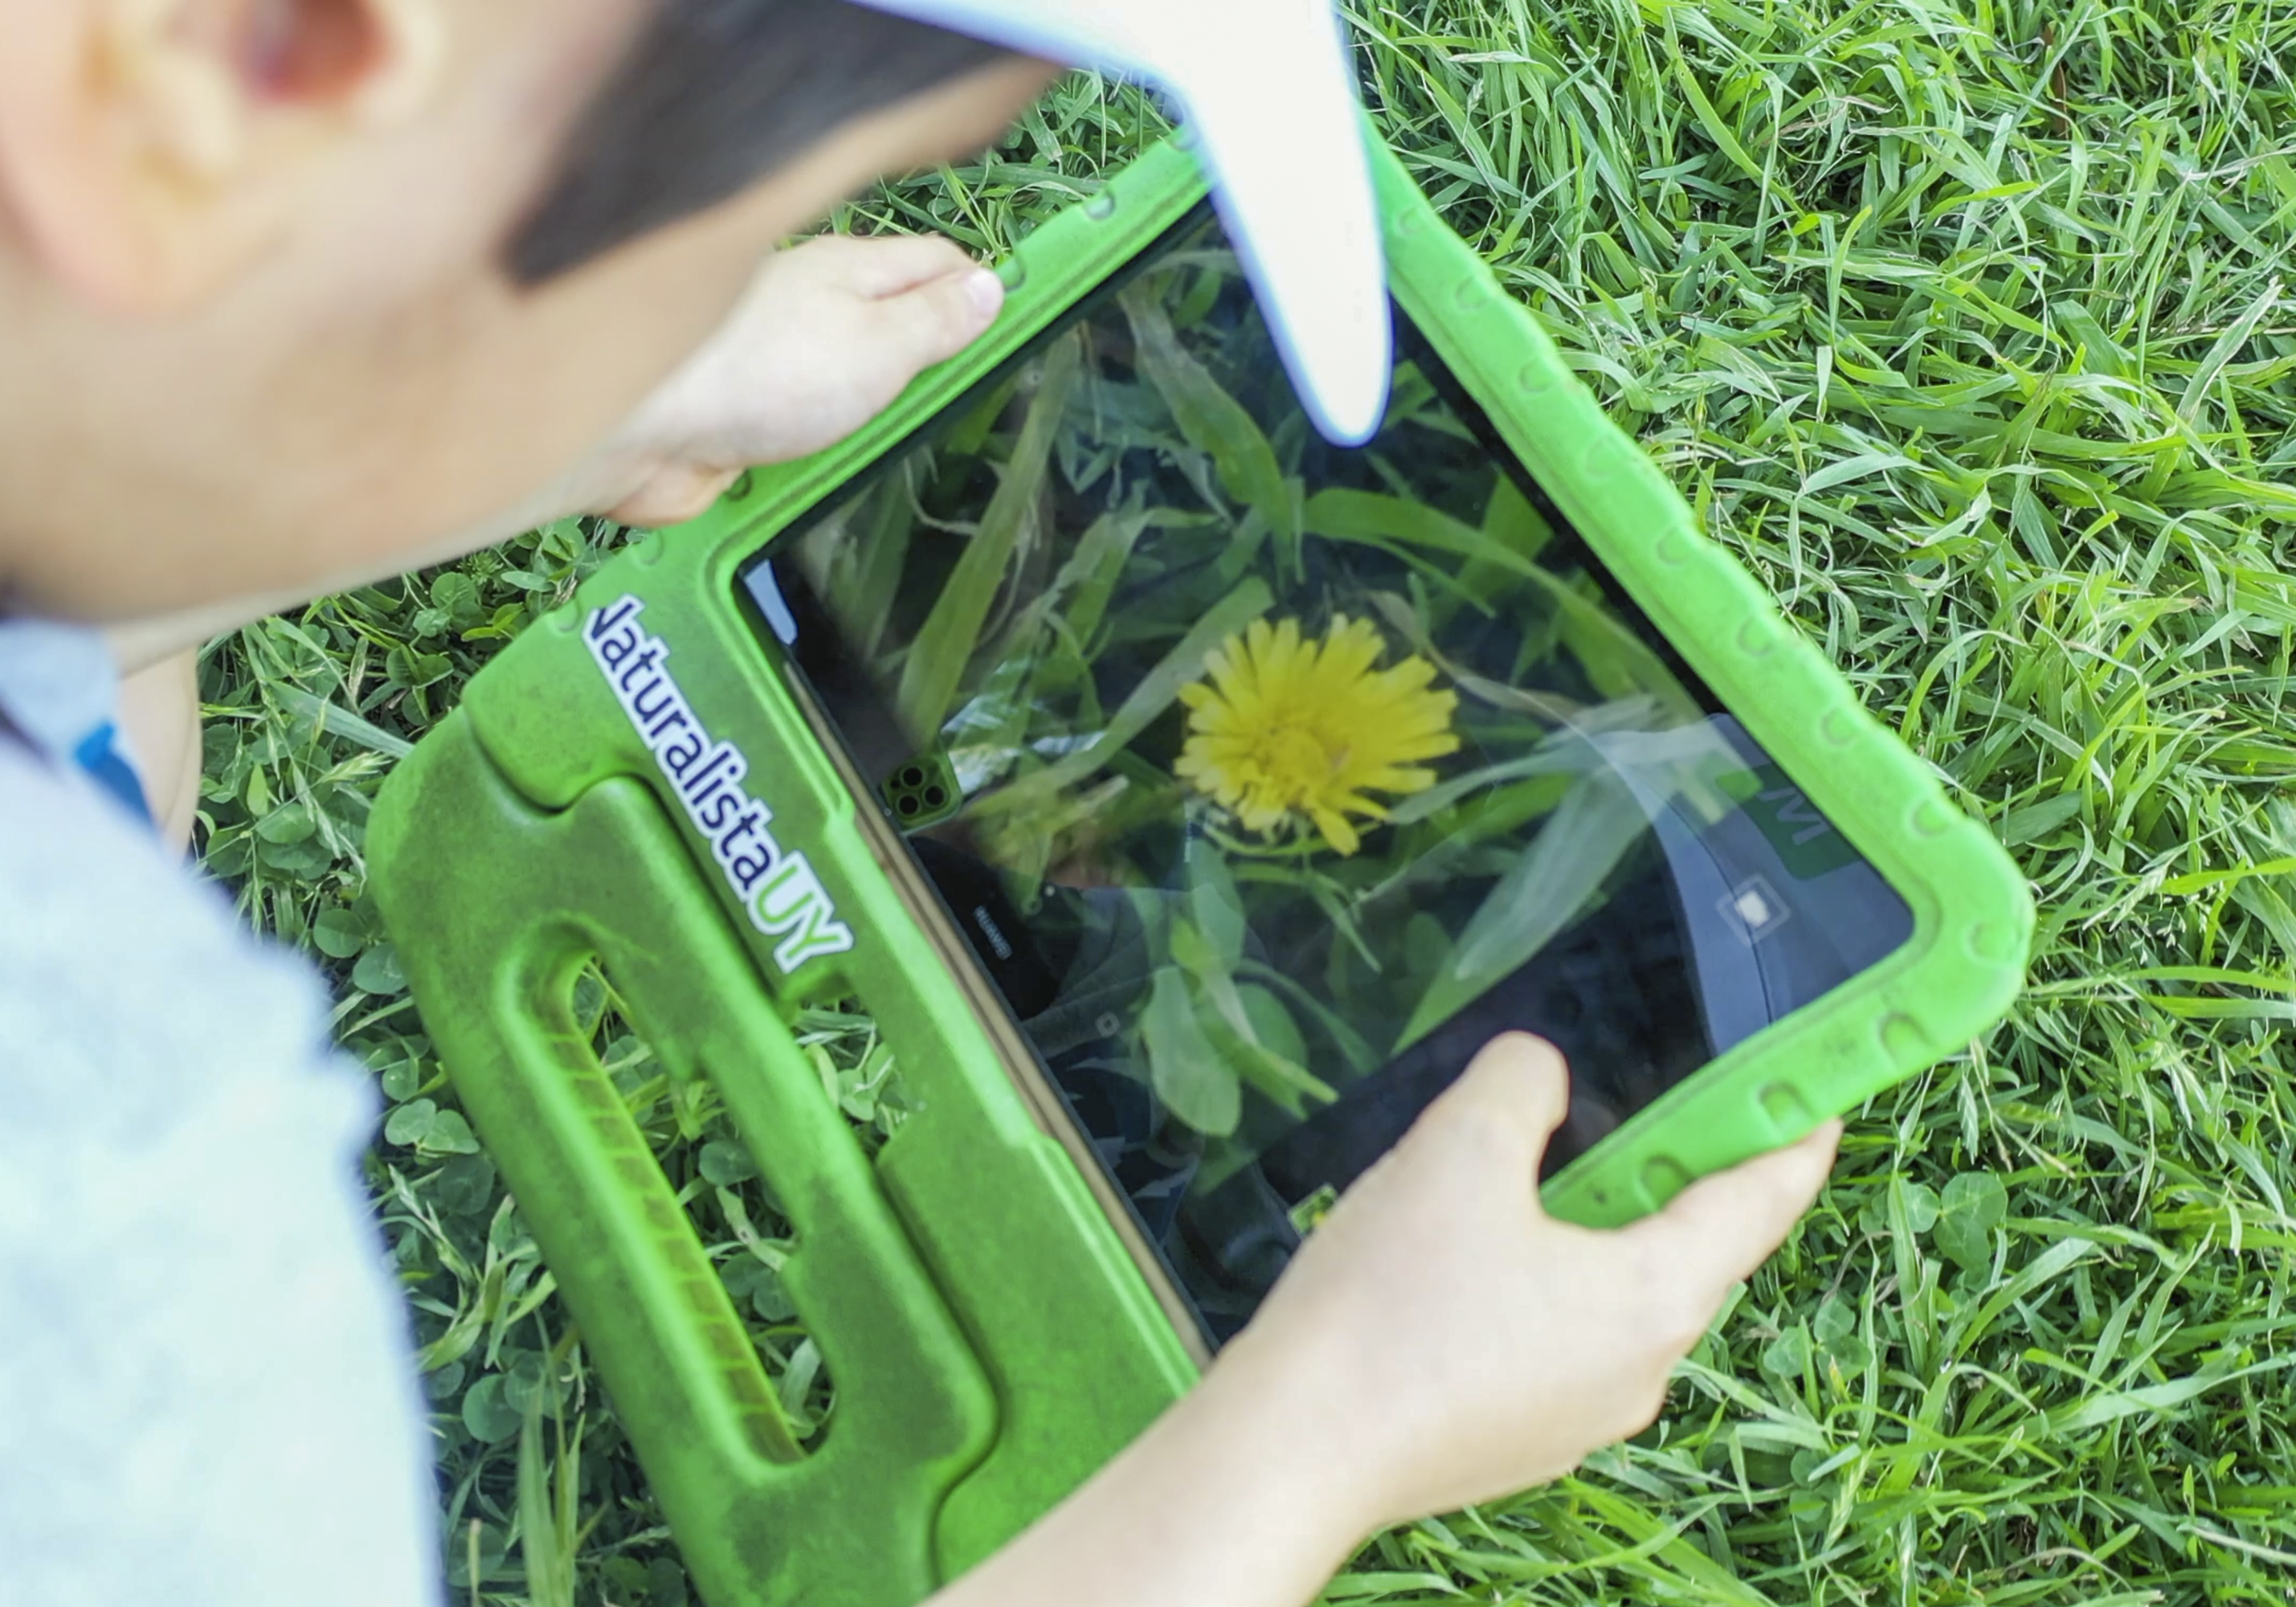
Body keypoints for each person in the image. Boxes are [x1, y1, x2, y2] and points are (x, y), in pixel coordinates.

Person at [0, 2, 1841, 1603]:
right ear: (228, 68)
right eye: (722, 238)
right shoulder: (121, 1255)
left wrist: (571, 395)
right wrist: (1321, 1433)